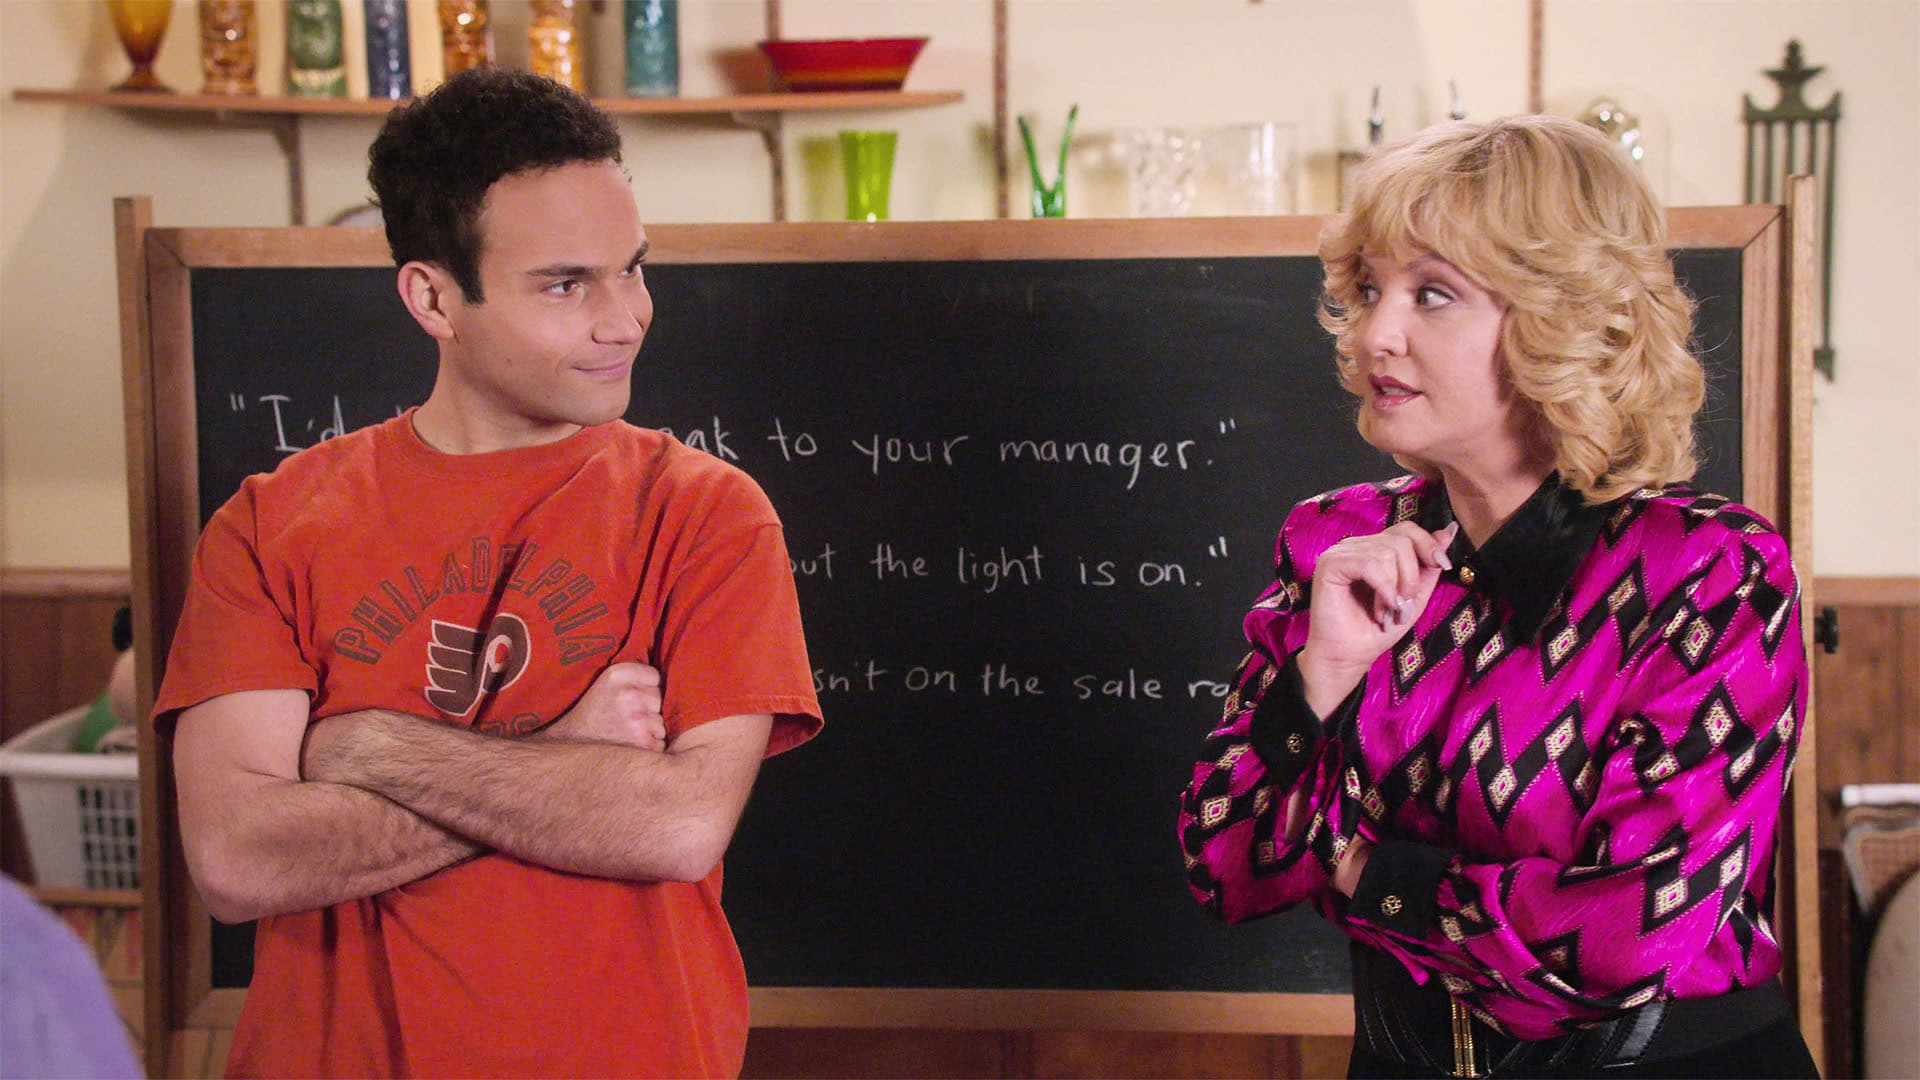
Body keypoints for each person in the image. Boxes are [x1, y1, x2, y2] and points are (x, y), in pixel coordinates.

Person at [155, 67, 822, 1078]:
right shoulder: (270, 525)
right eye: (565, 284)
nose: (625, 319)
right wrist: (565, 755)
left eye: (634, 269)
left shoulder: (708, 515)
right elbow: (239, 860)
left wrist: (367, 747)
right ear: (433, 297)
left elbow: (678, 825)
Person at [1178, 115, 1818, 1079]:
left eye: (1433, 293)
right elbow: (1225, 861)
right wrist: (1325, 672)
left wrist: (1357, 869)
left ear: (1561, 321)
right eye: (1368, 290)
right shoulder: (1337, 541)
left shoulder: (1710, 569)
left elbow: (1619, 941)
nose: (1375, 333)